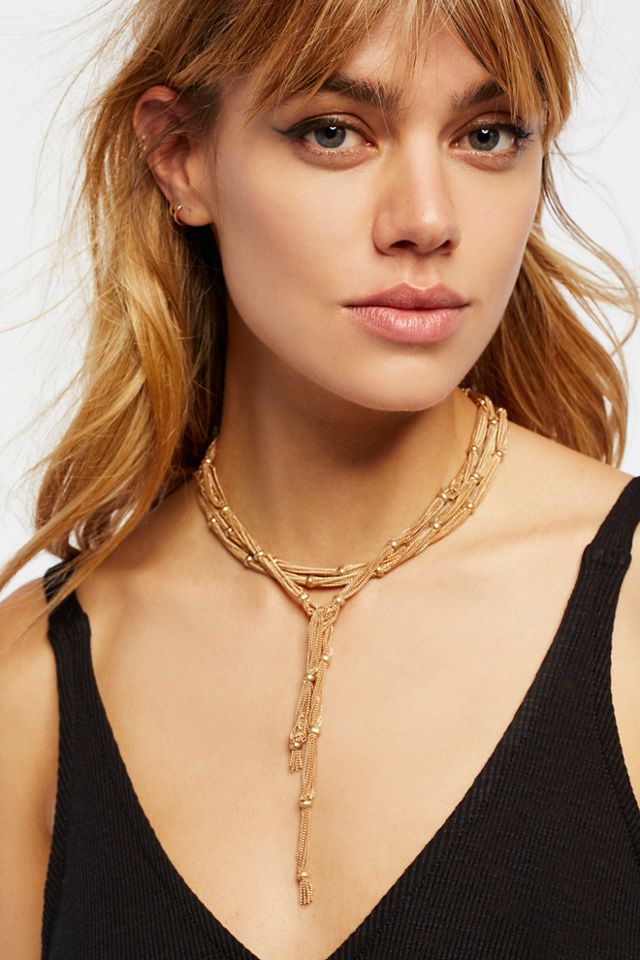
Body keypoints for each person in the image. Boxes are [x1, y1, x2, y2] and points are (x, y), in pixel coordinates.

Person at [1, 0, 639, 957]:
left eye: (487, 134)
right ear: (179, 155)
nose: (426, 220)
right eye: (334, 132)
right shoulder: (29, 683)